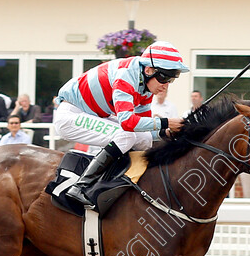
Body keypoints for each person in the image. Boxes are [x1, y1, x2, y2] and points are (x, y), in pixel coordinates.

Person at [54, 40, 189, 207]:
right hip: (70, 116)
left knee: (144, 139)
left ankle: (130, 184)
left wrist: (165, 133)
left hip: (91, 114)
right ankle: (80, 187)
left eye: (171, 79)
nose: (166, 86)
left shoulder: (145, 86)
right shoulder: (126, 76)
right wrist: (166, 122)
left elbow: (143, 128)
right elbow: (127, 123)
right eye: (164, 78)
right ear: (149, 70)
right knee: (125, 136)